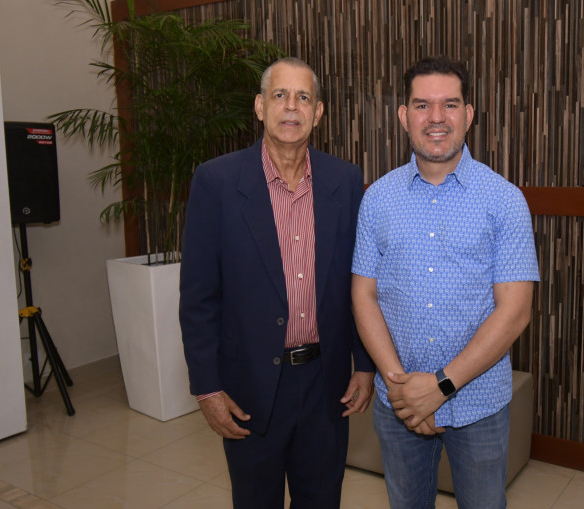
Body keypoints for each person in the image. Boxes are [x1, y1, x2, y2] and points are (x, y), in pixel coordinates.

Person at [179, 57, 375, 509]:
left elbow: (358, 282)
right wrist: (207, 388)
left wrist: (363, 364)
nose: (292, 107)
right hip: (250, 386)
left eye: (303, 97)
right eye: (280, 95)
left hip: (326, 384)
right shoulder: (217, 181)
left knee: (322, 500)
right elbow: (199, 298)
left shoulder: (345, 181)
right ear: (260, 107)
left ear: (319, 112)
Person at [351, 56, 539, 509]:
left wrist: (439, 388)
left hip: (478, 405)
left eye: (449, 104)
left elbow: (514, 312)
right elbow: (364, 294)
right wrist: (400, 386)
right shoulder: (377, 199)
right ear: (404, 116)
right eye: (422, 105)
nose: (436, 118)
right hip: (398, 405)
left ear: (468, 114)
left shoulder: (505, 200)